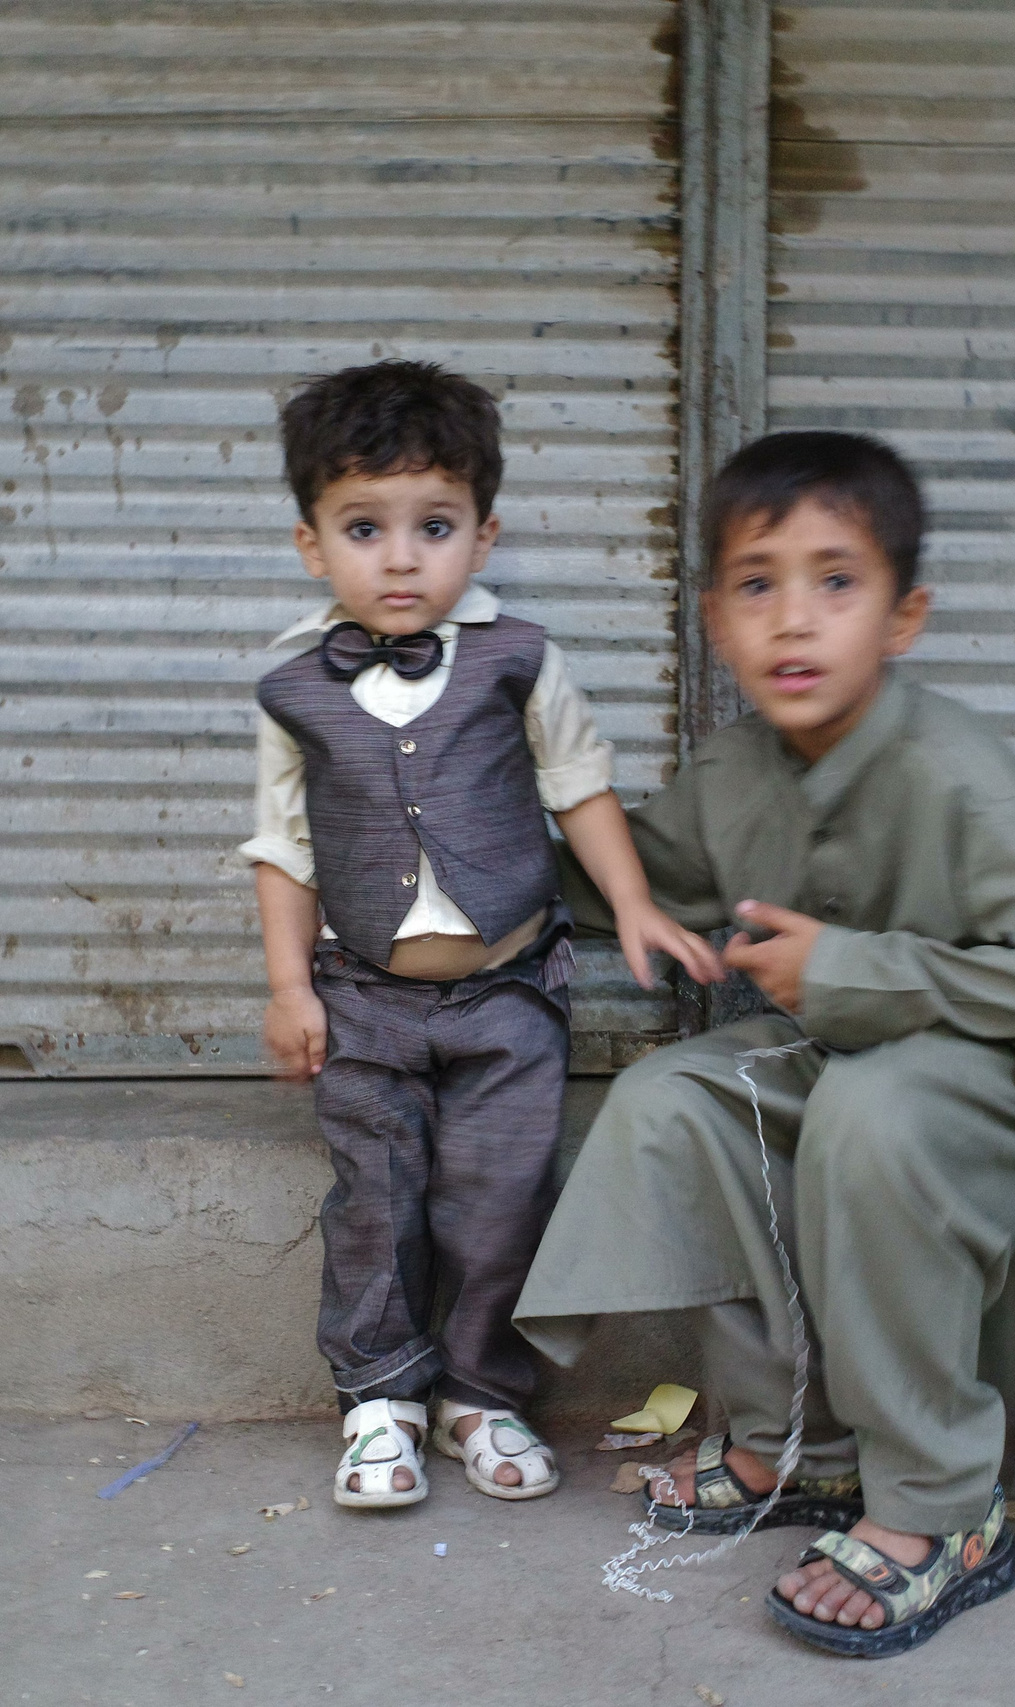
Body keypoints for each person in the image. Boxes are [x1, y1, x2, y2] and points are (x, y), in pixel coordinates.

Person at [516, 431, 1015, 1656]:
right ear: (716, 620)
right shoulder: (732, 774)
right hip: (851, 1062)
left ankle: (939, 1507)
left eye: (836, 581)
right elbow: (619, 884)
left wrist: (851, 970)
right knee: (676, 1100)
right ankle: (801, 1446)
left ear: (903, 617)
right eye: (756, 583)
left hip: (1003, 1080)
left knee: (871, 1114)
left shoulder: (960, 776)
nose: (794, 619)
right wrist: (437, 835)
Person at [241, 360, 722, 1512]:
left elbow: (579, 786)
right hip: (362, 998)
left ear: (484, 535)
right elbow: (282, 847)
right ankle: (379, 1400)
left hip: (509, 1000)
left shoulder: (521, 660)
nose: (401, 558)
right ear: (312, 544)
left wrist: (634, 903)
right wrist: (289, 989)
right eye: (364, 527)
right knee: (375, 1201)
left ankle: (479, 1395)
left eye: (435, 525)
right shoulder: (293, 690)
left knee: (500, 1201)